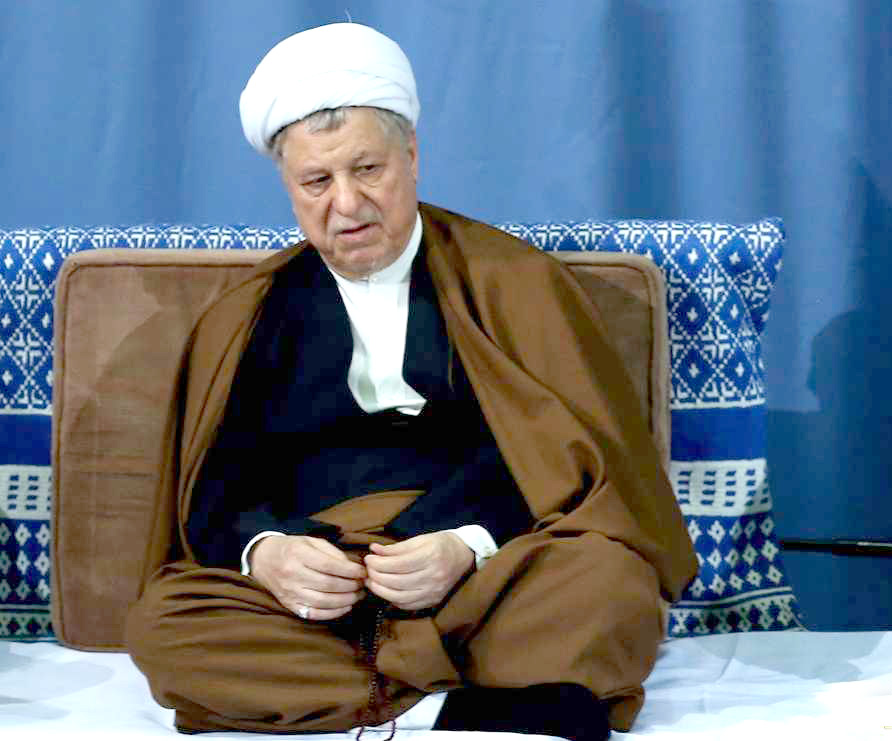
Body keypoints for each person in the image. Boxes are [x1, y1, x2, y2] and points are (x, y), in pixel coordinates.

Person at [124, 22, 696, 741]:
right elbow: (214, 494)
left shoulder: (515, 282)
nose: (346, 203)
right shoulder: (246, 314)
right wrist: (267, 553)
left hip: (480, 575)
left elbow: (579, 468)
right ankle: (453, 705)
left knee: (606, 582)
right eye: (316, 181)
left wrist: (467, 543)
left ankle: (348, 693)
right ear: (289, 188)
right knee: (166, 623)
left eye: (367, 169)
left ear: (413, 156)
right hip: (321, 596)